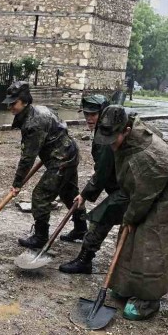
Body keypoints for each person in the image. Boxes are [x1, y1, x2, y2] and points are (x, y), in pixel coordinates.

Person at [93, 105, 168, 321]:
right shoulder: (127, 139)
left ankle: (148, 298)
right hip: (147, 190)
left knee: (151, 241)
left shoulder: (147, 156)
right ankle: (126, 284)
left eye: (113, 139)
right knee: (129, 235)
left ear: (126, 131)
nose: (110, 144)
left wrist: (130, 217)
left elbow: (142, 198)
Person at [3, 81, 86, 248]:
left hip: (62, 159)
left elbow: (28, 157)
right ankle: (81, 230)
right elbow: (60, 129)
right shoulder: (39, 110)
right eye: (9, 104)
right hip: (69, 152)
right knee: (69, 194)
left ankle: (41, 237)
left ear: (25, 102)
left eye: (14, 104)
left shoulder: (33, 123)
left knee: (40, 196)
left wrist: (17, 184)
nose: (10, 107)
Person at [59, 95, 129, 274]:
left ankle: (85, 260)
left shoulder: (106, 137)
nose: (89, 118)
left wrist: (84, 195)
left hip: (128, 189)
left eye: (93, 114)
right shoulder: (104, 131)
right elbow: (103, 168)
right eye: (86, 114)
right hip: (123, 185)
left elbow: (103, 173)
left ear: (103, 114)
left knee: (100, 219)